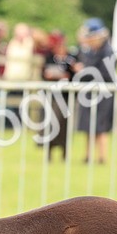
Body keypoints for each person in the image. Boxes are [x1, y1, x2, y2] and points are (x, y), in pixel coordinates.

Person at [72, 18, 117, 165]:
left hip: (103, 95)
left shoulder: (108, 52)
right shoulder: (91, 51)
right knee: (88, 126)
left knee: (100, 127)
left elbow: (105, 74)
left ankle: (102, 157)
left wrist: (86, 71)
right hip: (90, 93)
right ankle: (88, 155)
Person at [39, 31, 77, 160]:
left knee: (64, 126)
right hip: (51, 96)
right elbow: (43, 73)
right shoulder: (49, 57)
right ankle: (48, 152)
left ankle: (64, 152)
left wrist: (69, 74)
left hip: (66, 97)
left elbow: (75, 75)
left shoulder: (71, 57)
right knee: (50, 124)